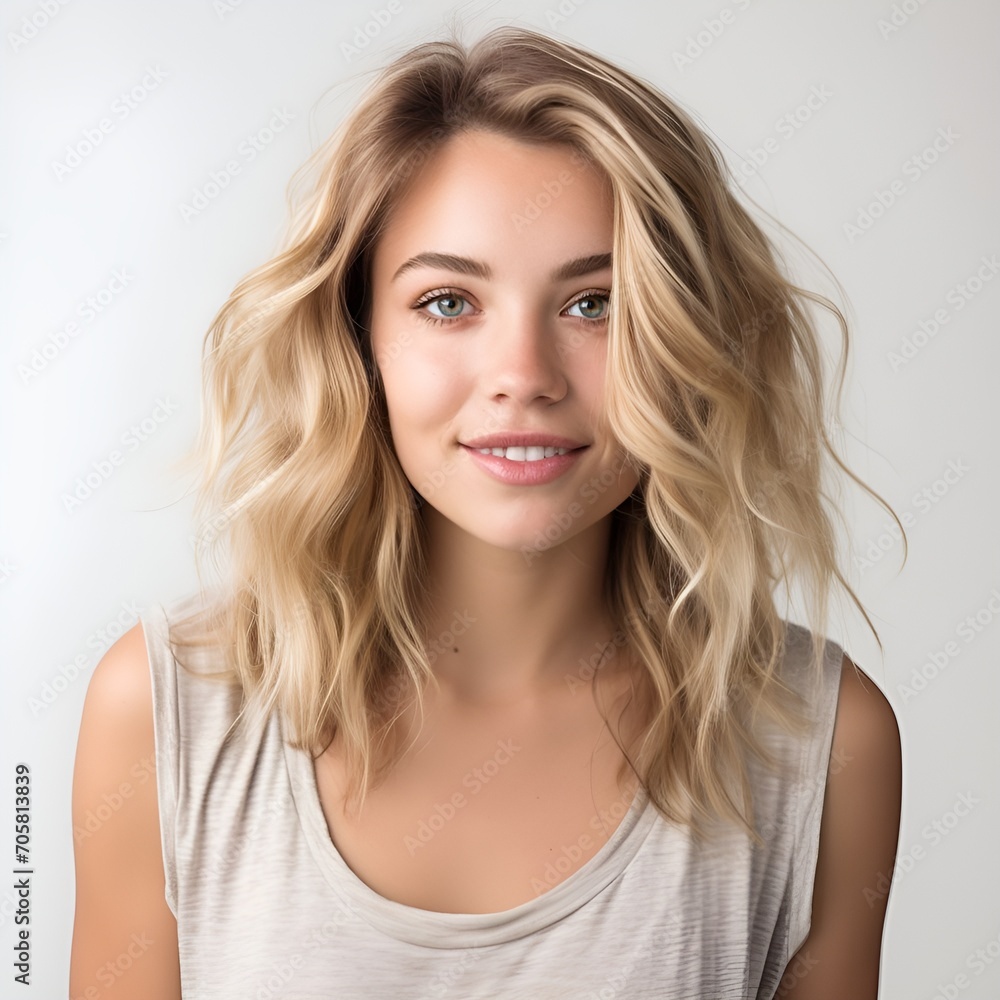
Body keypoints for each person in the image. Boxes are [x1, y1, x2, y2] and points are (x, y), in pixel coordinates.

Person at [69, 24, 903, 1000]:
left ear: (684, 341)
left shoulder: (817, 741)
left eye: (596, 304)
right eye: (449, 302)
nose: (523, 378)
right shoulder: (168, 711)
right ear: (357, 337)